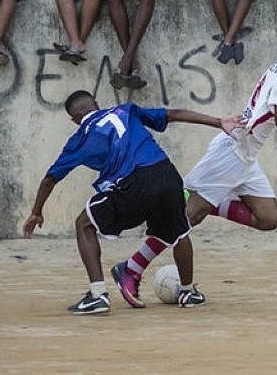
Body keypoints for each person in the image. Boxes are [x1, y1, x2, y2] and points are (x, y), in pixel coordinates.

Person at [109, 32, 277, 307]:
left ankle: (210, 203)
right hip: (231, 154)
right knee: (183, 219)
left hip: (246, 155)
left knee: (268, 218)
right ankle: (131, 268)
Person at [22, 90, 240, 313]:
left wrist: (37, 211)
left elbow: (49, 179)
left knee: (84, 223)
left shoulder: (79, 139)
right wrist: (218, 122)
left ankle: (98, 295)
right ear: (96, 104)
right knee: (179, 232)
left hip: (133, 182)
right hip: (167, 174)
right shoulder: (126, 110)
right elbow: (173, 114)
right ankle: (188, 292)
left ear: (74, 119)